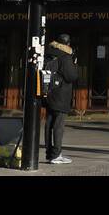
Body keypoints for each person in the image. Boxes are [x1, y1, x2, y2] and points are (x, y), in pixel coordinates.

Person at [43, 35, 78, 165]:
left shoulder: (49, 53)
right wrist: (74, 65)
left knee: (49, 124)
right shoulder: (65, 56)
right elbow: (71, 76)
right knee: (59, 125)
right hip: (61, 94)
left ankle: (49, 154)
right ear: (68, 43)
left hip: (49, 92)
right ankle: (56, 155)